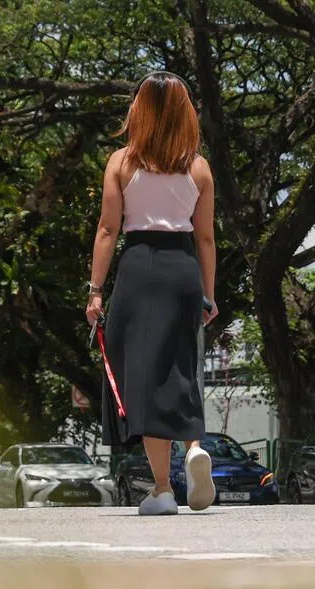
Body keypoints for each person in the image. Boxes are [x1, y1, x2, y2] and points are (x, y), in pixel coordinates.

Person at [86, 71, 219, 517]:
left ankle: (162, 489)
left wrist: (96, 291)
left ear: (138, 110)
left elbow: (108, 229)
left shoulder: (123, 162)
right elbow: (205, 240)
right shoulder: (198, 168)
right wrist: (209, 294)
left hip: (139, 266)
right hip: (183, 269)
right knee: (182, 364)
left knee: (143, 376)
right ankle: (195, 446)